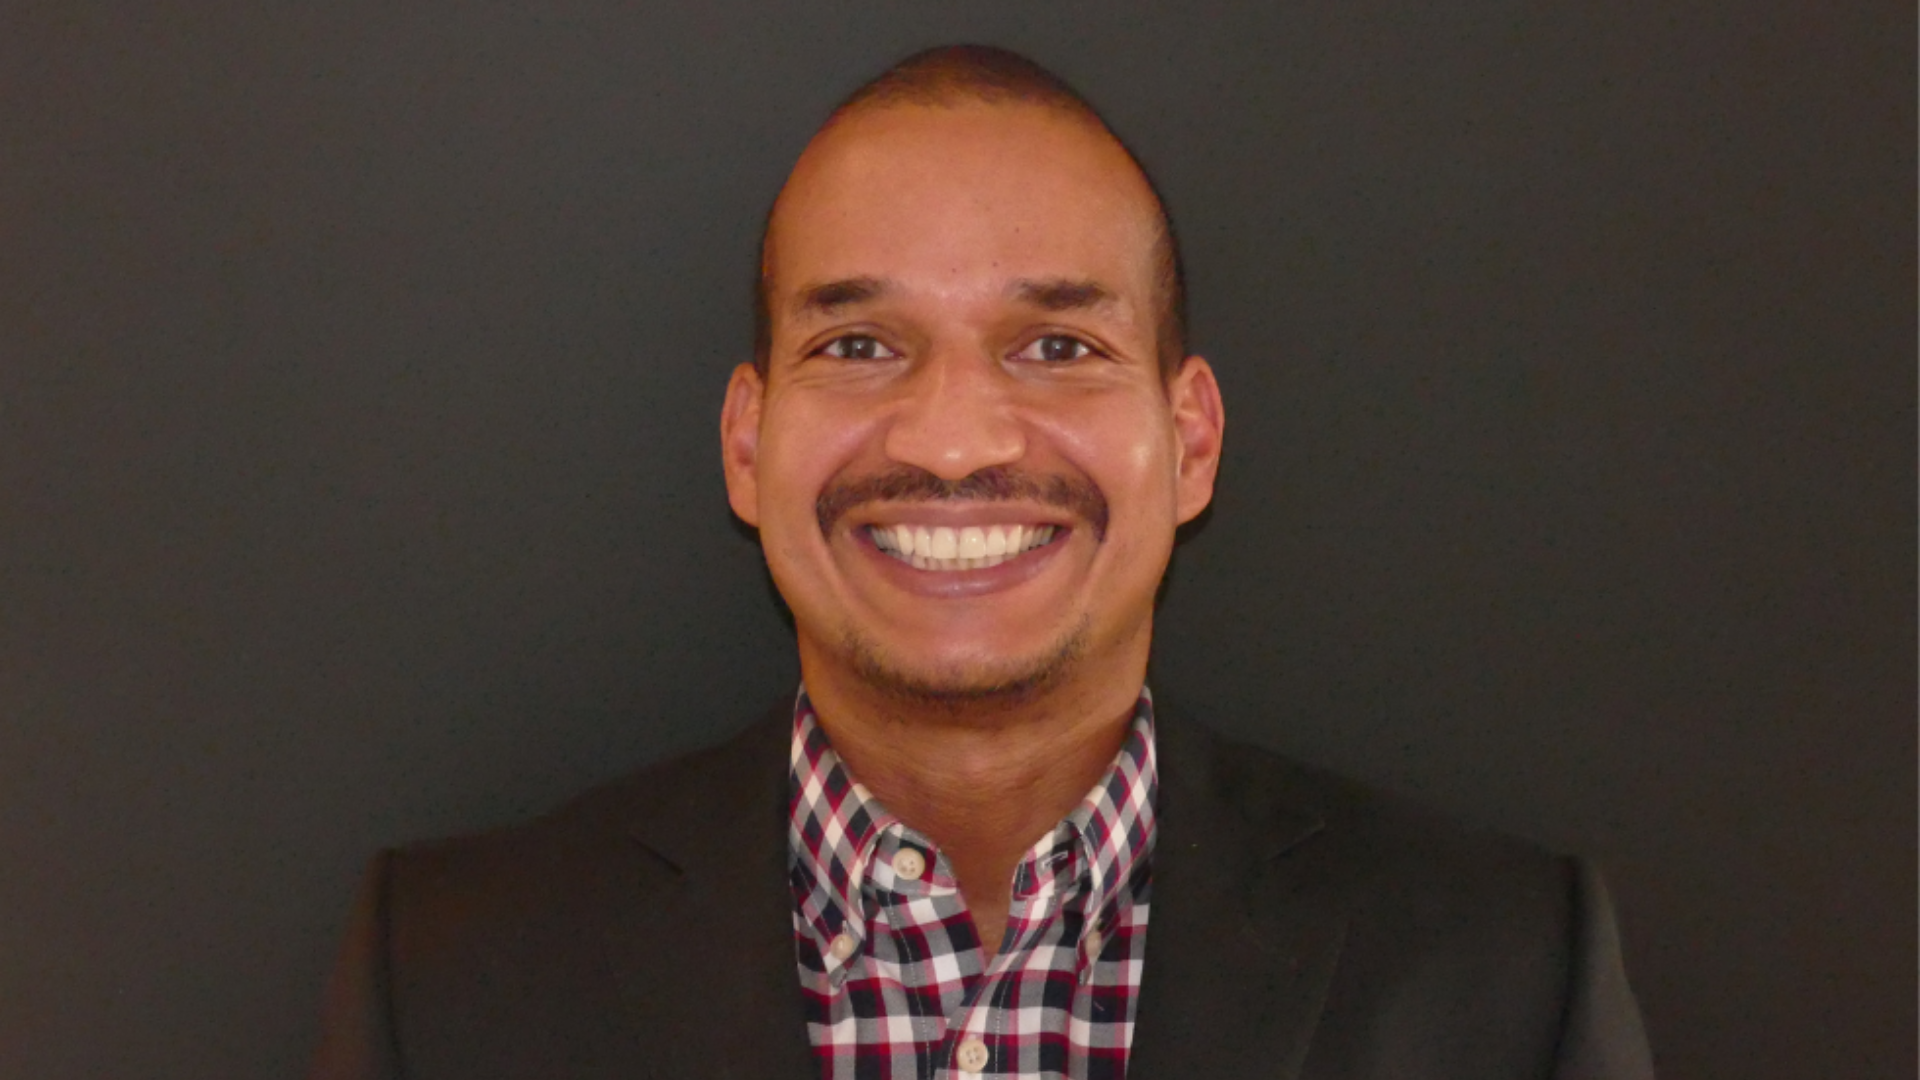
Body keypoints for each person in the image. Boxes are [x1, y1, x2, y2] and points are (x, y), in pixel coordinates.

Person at [309, 44, 1655, 1080]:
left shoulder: (1500, 976)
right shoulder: (450, 985)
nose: (953, 442)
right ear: (746, 441)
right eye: (859, 346)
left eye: (1057, 346)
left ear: (1189, 443)